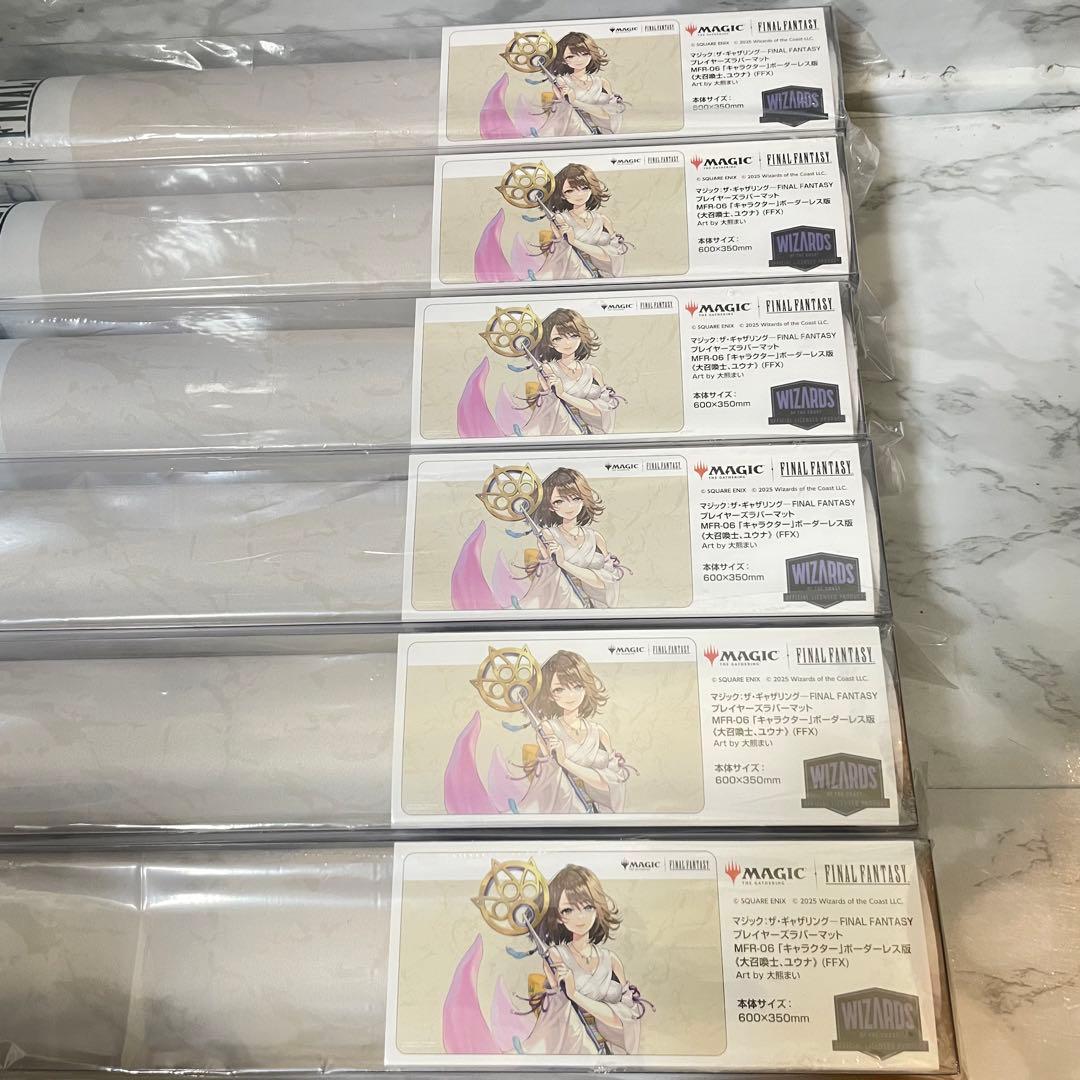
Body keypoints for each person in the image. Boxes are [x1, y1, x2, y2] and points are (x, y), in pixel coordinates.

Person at [519, 864, 647, 1055]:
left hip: (613, 1051)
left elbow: (628, 1019)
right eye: (568, 910)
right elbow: (559, 1017)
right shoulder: (555, 956)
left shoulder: (611, 960)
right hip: (577, 1049)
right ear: (558, 917)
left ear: (598, 908)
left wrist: (575, 994)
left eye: (588, 907)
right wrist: (565, 993)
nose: (580, 917)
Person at [517, 650, 630, 814]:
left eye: (577, 686)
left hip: (600, 813)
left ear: (586, 688)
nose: (570, 695)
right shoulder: (548, 729)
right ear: (549, 694)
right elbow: (551, 784)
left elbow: (613, 783)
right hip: (568, 812)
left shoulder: (599, 732)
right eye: (559, 689)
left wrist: (565, 762)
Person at [518, 467, 623, 610]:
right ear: (550, 506)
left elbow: (606, 582)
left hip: (595, 608)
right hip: (565, 605)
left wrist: (564, 563)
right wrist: (550, 561)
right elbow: (550, 581)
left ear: (584, 499)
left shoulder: (595, 537)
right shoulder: (549, 535)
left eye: (575, 498)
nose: (569, 506)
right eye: (559, 501)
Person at [523, 308, 619, 436]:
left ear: (582, 336)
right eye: (558, 338)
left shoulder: (593, 371)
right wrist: (548, 392)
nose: (567, 342)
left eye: (574, 335)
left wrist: (563, 394)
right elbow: (549, 412)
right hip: (566, 431)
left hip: (595, 433)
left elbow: (603, 410)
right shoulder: (548, 369)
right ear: (549, 343)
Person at [536, 163, 629, 281]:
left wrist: (574, 242)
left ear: (592, 188)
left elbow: (614, 255)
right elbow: (562, 256)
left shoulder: (602, 219)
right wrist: (562, 239)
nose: (579, 194)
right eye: (570, 190)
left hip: (604, 275)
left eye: (584, 188)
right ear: (562, 195)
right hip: (577, 275)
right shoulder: (560, 219)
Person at [538, 32, 627, 138]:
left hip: (600, 133)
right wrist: (566, 100)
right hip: (574, 132)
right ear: (563, 60)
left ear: (591, 54)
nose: (579, 59)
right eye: (571, 56)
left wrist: (575, 102)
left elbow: (608, 115)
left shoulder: (602, 82)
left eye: (584, 54)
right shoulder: (562, 82)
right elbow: (563, 115)